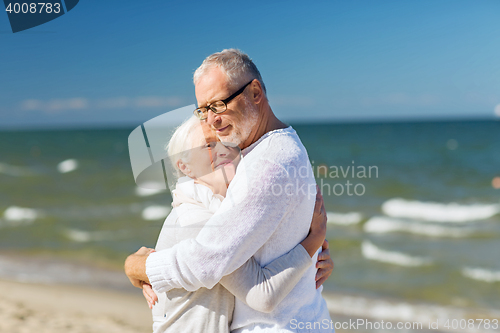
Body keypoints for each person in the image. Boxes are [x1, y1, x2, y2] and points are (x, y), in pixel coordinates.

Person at [125, 49, 334, 332]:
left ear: (256, 92)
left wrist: (136, 267)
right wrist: (311, 249)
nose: (211, 120)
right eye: (203, 109)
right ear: (183, 166)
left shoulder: (268, 162)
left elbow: (204, 262)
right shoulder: (270, 150)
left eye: (218, 105)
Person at [145, 116, 328, 333]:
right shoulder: (197, 220)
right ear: (185, 167)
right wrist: (313, 240)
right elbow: (263, 294)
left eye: (227, 142)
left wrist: (317, 262)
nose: (222, 150)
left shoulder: (224, 209)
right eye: (208, 145)